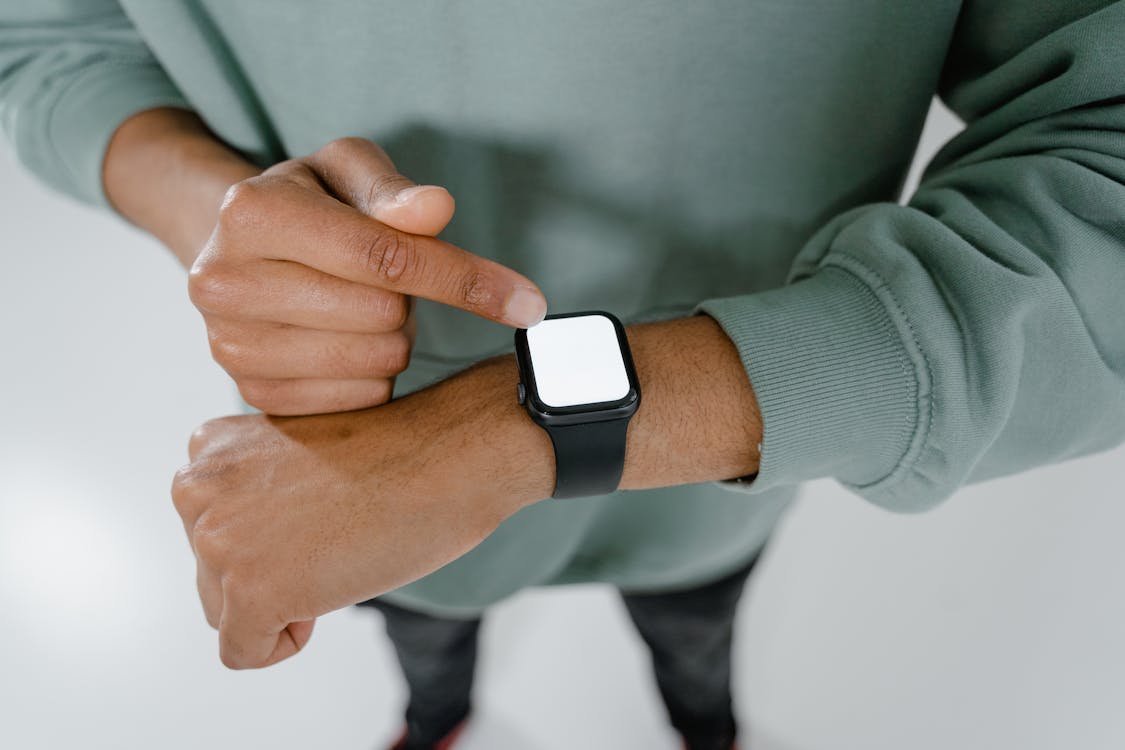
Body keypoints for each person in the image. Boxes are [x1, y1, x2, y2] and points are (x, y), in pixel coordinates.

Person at [3, 2, 1124, 749]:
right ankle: (439, 719)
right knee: (428, 635)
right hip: (349, 445)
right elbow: (47, 36)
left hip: (750, 436)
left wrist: (498, 435)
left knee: (695, 621)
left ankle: (703, 724)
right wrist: (226, 217)